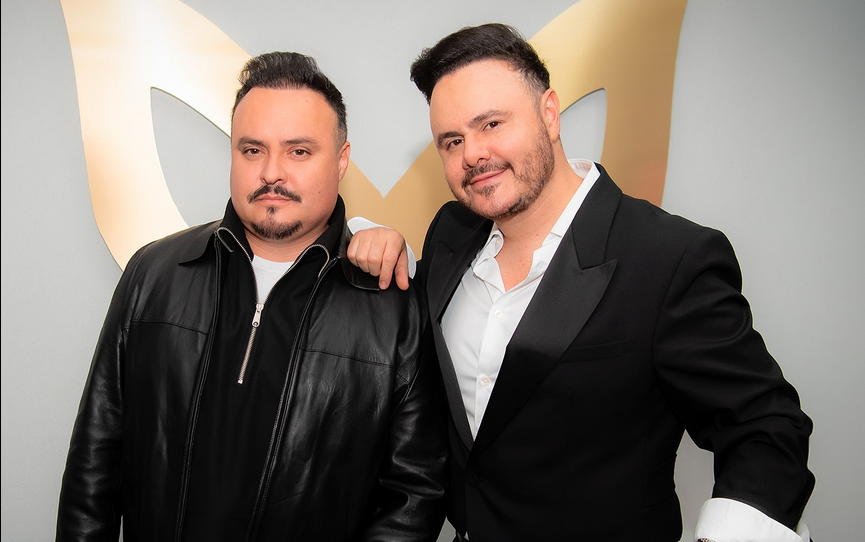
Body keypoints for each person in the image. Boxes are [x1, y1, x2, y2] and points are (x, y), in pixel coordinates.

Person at [348, 23, 814, 541]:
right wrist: (370, 235)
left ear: (550, 113)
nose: (473, 154)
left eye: (492, 123)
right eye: (452, 141)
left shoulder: (668, 258)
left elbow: (765, 428)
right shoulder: (449, 233)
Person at [56, 51, 447, 541]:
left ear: (341, 160)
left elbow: (413, 493)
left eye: (299, 151)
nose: (271, 172)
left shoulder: (394, 307)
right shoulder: (154, 274)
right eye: (252, 150)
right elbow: (95, 457)